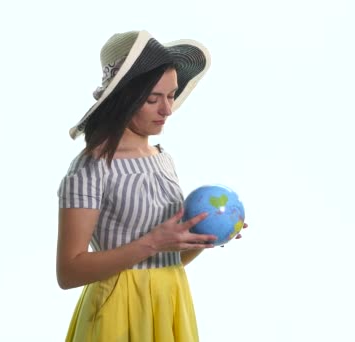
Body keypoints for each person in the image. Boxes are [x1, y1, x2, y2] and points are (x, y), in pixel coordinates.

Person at [56, 30, 246, 341]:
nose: (167, 110)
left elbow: (164, 259)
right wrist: (153, 241)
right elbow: (68, 271)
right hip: (118, 310)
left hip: (170, 300)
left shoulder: (162, 159)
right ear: (123, 99)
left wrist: (202, 239)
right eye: (152, 99)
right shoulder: (90, 169)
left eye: (171, 95)